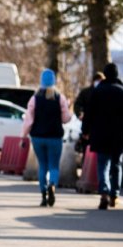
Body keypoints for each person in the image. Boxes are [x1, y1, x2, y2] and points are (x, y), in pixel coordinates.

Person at [86, 62, 123, 209]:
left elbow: (89, 113)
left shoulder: (97, 91)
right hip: (118, 136)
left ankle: (104, 192)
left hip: (100, 134)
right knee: (116, 165)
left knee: (102, 165)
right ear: (117, 75)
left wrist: (85, 131)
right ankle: (114, 195)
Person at [22, 68, 73, 207]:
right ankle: (52, 185)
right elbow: (66, 118)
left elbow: (28, 120)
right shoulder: (60, 98)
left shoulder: (35, 98)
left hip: (38, 137)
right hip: (55, 137)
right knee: (54, 166)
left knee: (42, 166)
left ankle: (43, 194)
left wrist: (23, 136)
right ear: (54, 82)